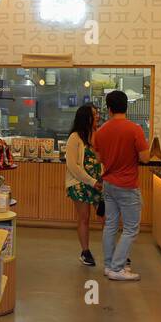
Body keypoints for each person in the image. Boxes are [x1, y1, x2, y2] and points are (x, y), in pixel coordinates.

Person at [92, 90, 149, 281]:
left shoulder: (100, 132)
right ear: (126, 106)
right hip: (127, 184)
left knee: (110, 225)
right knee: (131, 228)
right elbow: (145, 158)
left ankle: (109, 265)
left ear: (108, 109)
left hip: (109, 183)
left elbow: (99, 158)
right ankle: (117, 268)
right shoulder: (135, 129)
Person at [64, 104, 103, 265]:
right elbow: (73, 166)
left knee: (106, 217)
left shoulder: (99, 135)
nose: (97, 117)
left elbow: (102, 159)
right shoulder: (75, 137)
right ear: (85, 117)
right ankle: (85, 251)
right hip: (79, 183)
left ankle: (113, 251)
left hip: (99, 184)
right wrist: (91, 181)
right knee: (84, 218)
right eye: (94, 114)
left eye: (97, 113)